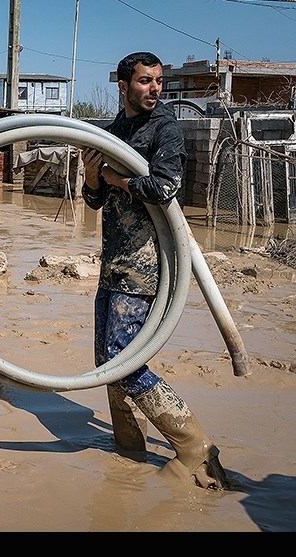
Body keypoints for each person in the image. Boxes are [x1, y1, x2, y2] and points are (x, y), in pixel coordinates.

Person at [81, 52, 229, 490]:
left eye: (159, 81)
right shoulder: (115, 131)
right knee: (106, 361)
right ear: (123, 86)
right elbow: (94, 201)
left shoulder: (165, 128)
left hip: (148, 266)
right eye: (145, 81)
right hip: (114, 262)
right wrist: (94, 177)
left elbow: (163, 186)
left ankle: (195, 447)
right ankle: (128, 451)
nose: (155, 89)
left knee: (122, 362)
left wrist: (115, 178)